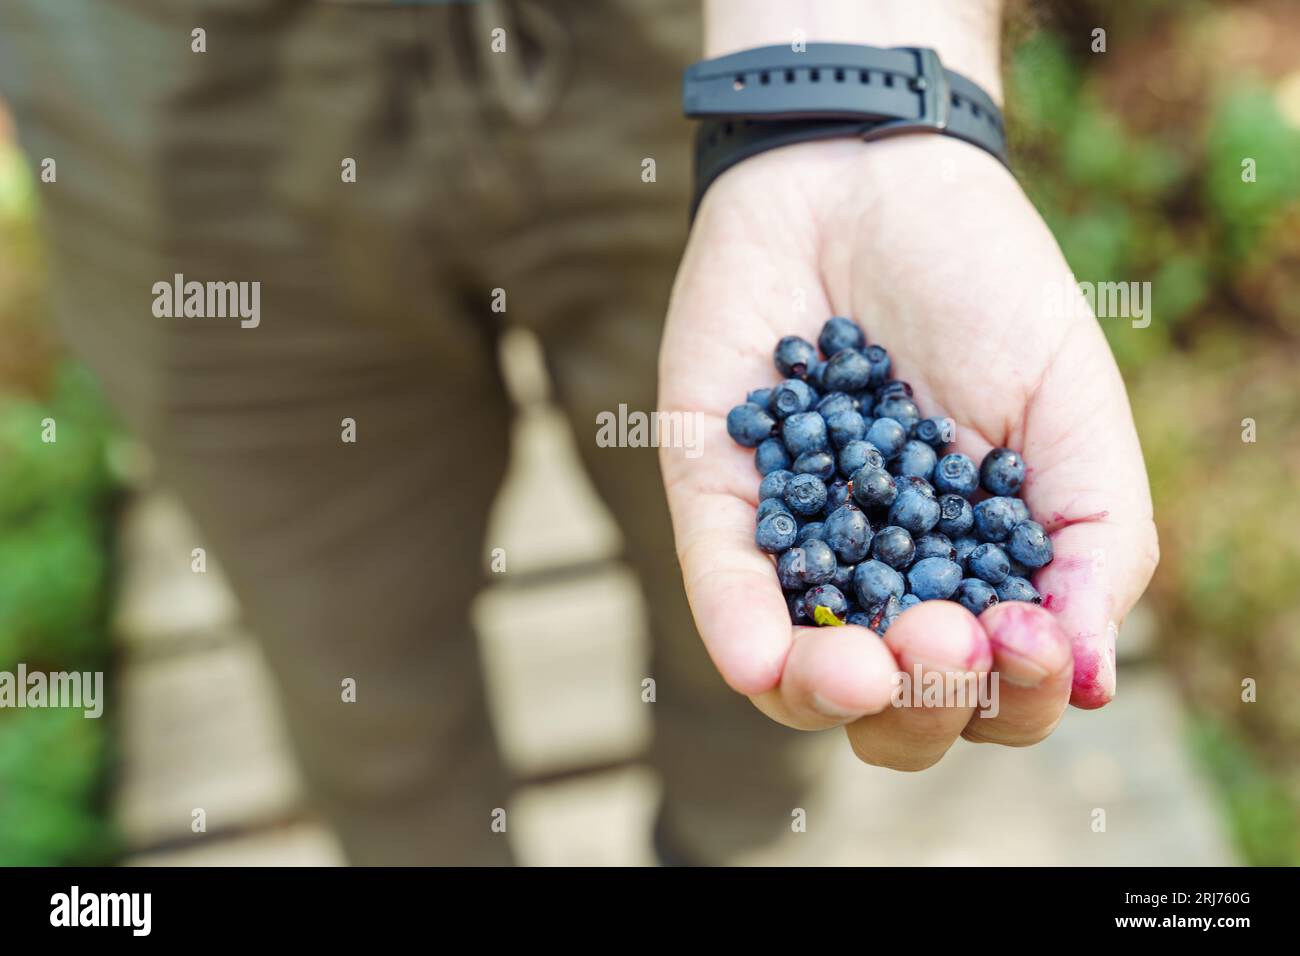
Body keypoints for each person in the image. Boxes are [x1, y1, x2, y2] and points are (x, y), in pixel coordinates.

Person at [0, 0, 1157, 865]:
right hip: (174, 90)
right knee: (361, 691)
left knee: (761, 668)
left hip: (697, 55)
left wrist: (842, 72)